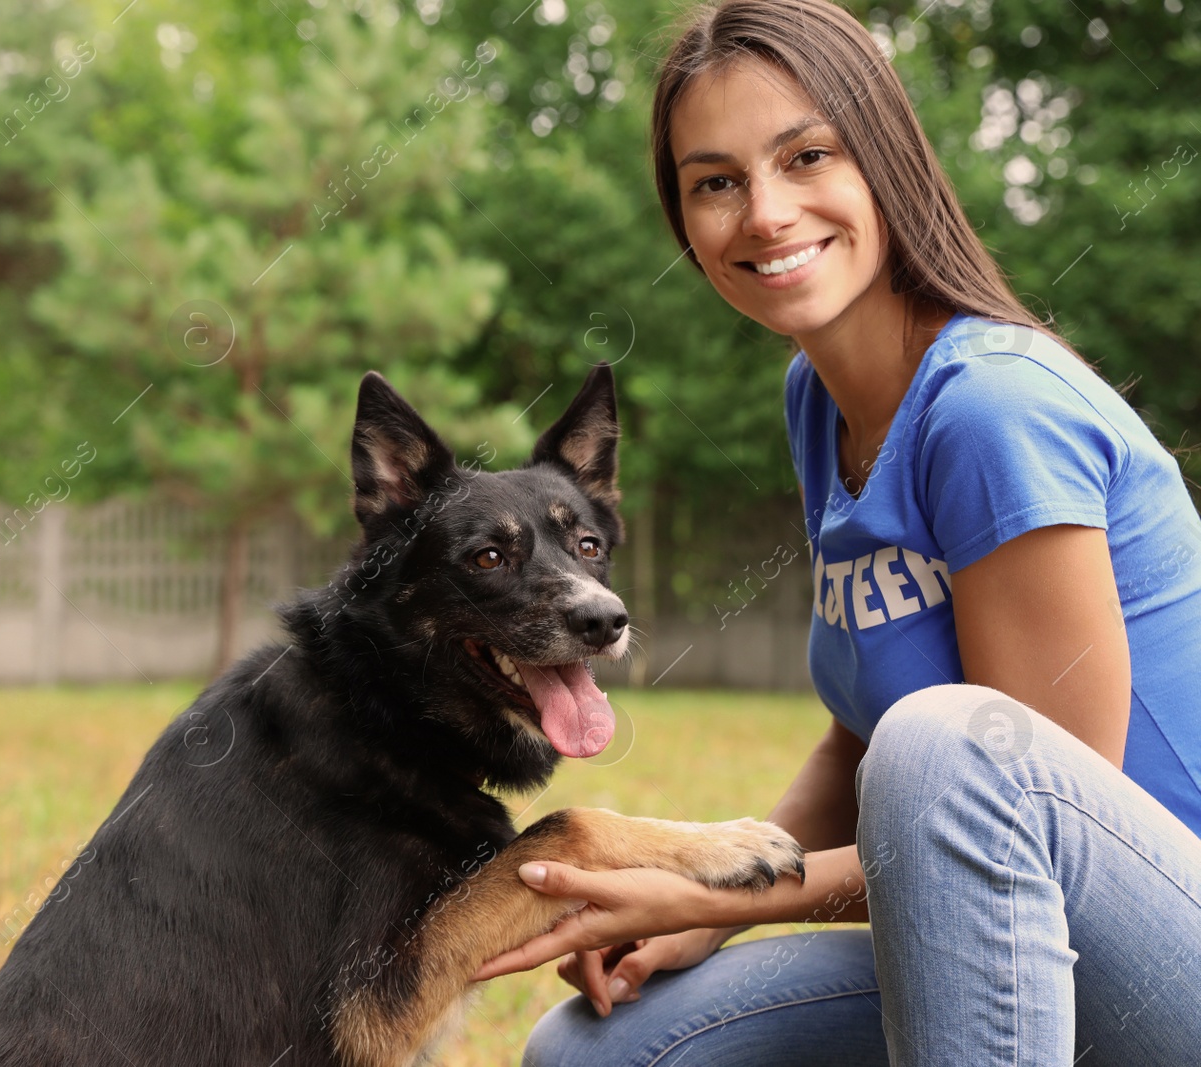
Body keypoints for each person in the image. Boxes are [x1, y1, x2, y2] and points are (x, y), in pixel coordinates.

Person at [472, 0, 1201, 1063]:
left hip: (1163, 952)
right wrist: (701, 897)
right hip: (1031, 953)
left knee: (946, 742)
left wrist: (713, 889)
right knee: (600, 1050)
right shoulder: (820, 402)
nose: (764, 212)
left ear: (885, 163)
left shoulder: (991, 409)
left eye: (806, 154)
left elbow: (1006, 818)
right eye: (714, 181)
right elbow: (862, 732)